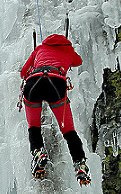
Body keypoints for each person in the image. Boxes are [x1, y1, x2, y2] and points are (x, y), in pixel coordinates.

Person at [19, 32, 91, 185]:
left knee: (34, 126)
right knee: (68, 130)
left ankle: (38, 152)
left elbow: (23, 73)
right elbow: (78, 61)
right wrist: (67, 53)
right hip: (56, 85)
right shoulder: (69, 51)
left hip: (33, 84)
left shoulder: (39, 49)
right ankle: (80, 163)